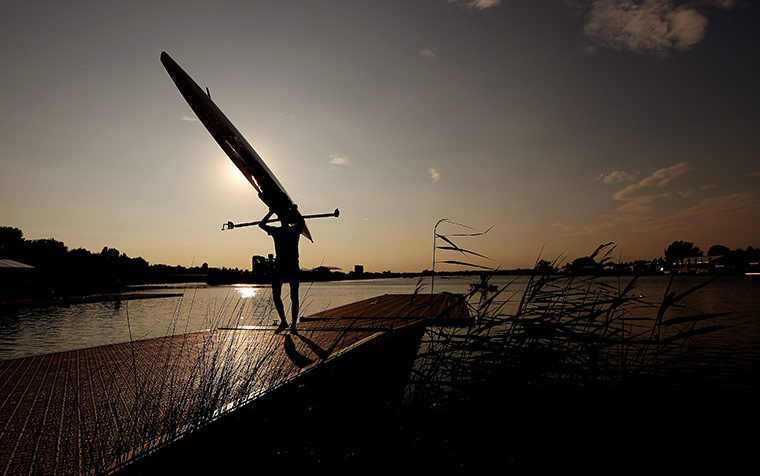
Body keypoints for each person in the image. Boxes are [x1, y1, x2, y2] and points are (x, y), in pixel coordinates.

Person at [259, 207, 304, 333]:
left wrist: (271, 212)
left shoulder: (277, 231)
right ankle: (288, 323)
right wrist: (295, 210)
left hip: (287, 267)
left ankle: (290, 324)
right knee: (284, 296)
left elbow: (261, 224)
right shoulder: (294, 230)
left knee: (289, 297)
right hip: (287, 267)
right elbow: (301, 221)